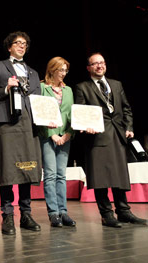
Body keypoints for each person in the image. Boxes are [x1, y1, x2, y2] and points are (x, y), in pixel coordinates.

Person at [75, 52, 148, 227]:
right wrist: (85, 126)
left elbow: (126, 109)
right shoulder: (82, 87)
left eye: (102, 63)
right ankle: (106, 214)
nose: (99, 66)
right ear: (89, 68)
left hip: (118, 136)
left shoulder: (116, 84)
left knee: (119, 175)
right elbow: (80, 111)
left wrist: (129, 128)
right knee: (101, 177)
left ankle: (124, 211)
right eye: (95, 64)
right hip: (97, 137)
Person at [0, 31, 42, 235]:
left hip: (29, 125)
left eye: (24, 44)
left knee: (28, 168)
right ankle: (7, 216)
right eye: (17, 43)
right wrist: (6, 89)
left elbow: (39, 101)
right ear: (9, 47)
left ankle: (26, 214)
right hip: (7, 124)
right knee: (9, 170)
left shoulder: (34, 73)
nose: (21, 46)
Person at [38, 57, 76, 227]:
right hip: (48, 136)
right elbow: (39, 113)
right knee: (50, 174)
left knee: (61, 175)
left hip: (65, 137)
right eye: (60, 70)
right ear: (52, 70)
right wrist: (52, 134)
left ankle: (63, 211)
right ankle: (53, 213)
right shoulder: (42, 87)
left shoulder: (68, 90)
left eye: (65, 70)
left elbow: (71, 115)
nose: (63, 73)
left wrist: (68, 133)